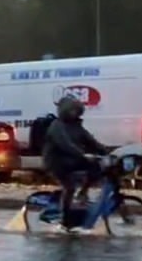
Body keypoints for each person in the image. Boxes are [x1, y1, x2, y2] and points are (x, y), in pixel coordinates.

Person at [42, 96, 110, 228]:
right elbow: (65, 145)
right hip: (56, 162)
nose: (74, 114)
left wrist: (107, 151)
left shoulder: (77, 126)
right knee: (69, 187)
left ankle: (83, 193)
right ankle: (65, 219)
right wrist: (83, 155)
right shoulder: (57, 126)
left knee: (97, 167)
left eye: (77, 111)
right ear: (65, 110)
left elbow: (90, 141)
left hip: (72, 159)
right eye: (72, 111)